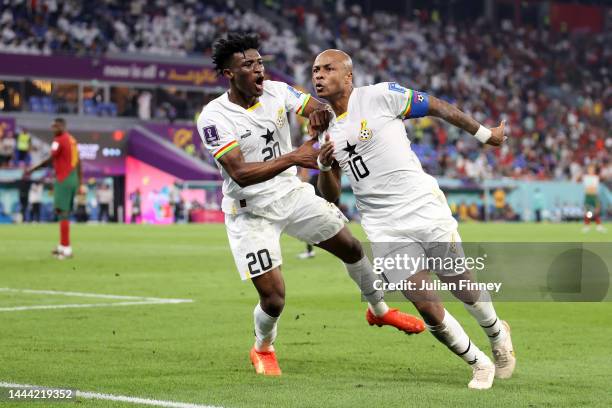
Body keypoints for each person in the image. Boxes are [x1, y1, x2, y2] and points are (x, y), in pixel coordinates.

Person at [197, 33, 424, 377]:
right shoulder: (214, 117)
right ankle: (263, 348)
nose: (259, 70)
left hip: (291, 194)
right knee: (274, 298)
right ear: (230, 73)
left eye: (260, 62)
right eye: (249, 65)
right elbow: (240, 173)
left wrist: (318, 118)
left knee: (350, 246)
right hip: (250, 211)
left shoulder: (277, 90)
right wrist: (296, 156)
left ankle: (378, 310)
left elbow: (317, 107)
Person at [312, 49, 515, 390]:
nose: (318, 75)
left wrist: (484, 135)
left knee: (462, 286)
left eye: (327, 69)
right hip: (382, 223)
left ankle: (497, 333)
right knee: (425, 304)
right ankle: (478, 363)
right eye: (315, 70)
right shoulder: (323, 130)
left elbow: (437, 106)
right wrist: (322, 164)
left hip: (423, 207)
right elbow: (331, 195)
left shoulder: (380, 96)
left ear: (348, 76)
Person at [25, 118, 81, 259]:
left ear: (62, 126)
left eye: (56, 126)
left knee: (62, 213)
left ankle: (66, 249)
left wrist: (32, 169)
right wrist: (79, 182)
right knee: (63, 212)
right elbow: (79, 162)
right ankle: (63, 245)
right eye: (52, 126)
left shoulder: (59, 140)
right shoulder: (72, 139)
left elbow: (50, 159)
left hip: (63, 178)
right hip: (72, 177)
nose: (53, 129)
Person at [582, 165, 605, 233]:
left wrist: (590, 188)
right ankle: (587, 226)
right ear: (588, 170)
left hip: (594, 196)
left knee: (596, 212)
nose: (591, 170)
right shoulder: (585, 177)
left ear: (594, 170)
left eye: (592, 169)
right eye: (590, 169)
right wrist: (590, 188)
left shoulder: (596, 177)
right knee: (588, 212)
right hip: (588, 196)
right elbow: (587, 188)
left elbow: (594, 189)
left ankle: (599, 226)